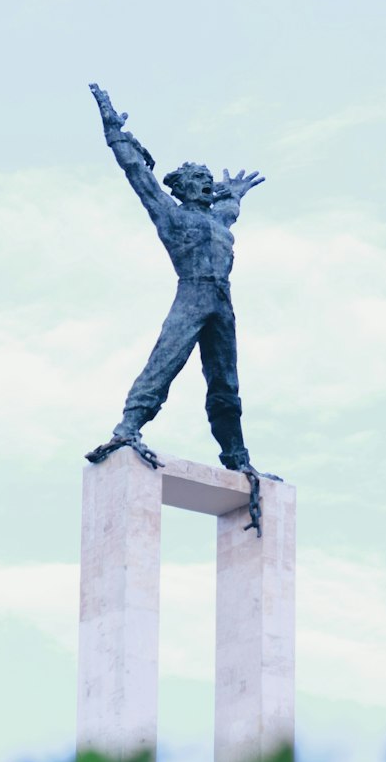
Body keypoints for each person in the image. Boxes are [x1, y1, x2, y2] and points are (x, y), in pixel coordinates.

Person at [86, 82, 264, 476]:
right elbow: (138, 174)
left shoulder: (218, 218)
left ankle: (237, 459)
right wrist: (115, 133)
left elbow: (230, 210)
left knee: (226, 383)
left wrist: (234, 194)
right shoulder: (171, 214)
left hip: (223, 302)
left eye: (207, 177)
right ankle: (127, 428)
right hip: (193, 293)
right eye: (197, 178)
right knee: (165, 362)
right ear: (182, 188)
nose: (205, 182)